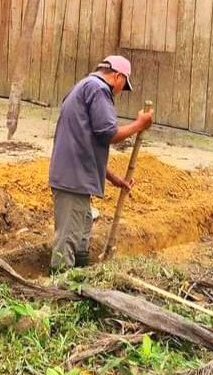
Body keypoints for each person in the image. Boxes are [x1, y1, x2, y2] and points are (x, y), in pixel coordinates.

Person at [47, 55, 154, 273]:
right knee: (67, 238)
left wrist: (114, 179)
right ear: (118, 77)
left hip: (73, 176)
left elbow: (84, 144)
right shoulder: (98, 89)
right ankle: (59, 291)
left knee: (82, 226)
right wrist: (139, 124)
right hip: (73, 180)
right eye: (123, 85)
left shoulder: (83, 88)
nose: (119, 92)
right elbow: (108, 133)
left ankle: (81, 275)